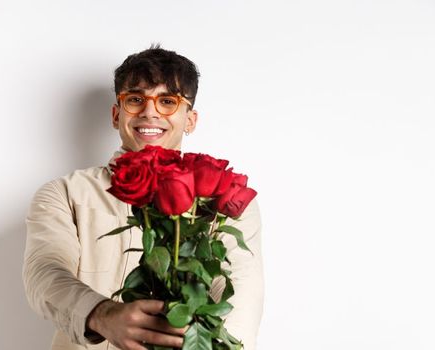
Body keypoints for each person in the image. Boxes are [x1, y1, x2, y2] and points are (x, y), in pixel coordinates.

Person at [23, 45, 264, 350]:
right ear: (116, 114)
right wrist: (101, 314)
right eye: (135, 100)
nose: (150, 112)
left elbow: (240, 292)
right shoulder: (64, 193)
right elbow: (44, 272)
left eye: (167, 101)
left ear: (190, 120)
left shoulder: (224, 196)